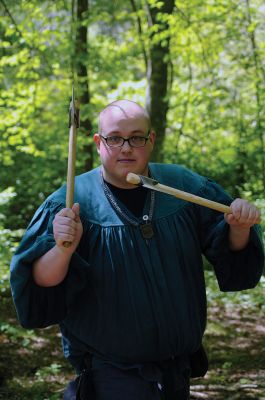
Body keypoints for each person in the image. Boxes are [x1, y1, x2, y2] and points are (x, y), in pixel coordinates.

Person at [10, 100, 264, 400]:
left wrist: (239, 227)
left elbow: (232, 256)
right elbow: (40, 284)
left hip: (177, 373)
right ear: (98, 143)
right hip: (111, 378)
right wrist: (64, 250)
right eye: (115, 138)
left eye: (137, 137)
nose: (126, 147)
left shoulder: (185, 187)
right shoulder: (69, 202)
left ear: (151, 140)